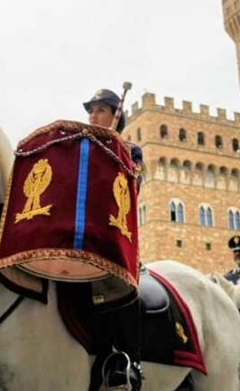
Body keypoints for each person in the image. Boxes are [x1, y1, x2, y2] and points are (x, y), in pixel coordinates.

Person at [84, 88, 144, 391]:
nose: (93, 115)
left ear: (115, 117)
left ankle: (126, 361)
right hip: (79, 235)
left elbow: (133, 186)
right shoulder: (80, 147)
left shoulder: (129, 149)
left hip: (112, 234)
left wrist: (114, 150)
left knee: (115, 281)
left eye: (100, 110)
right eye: (90, 110)